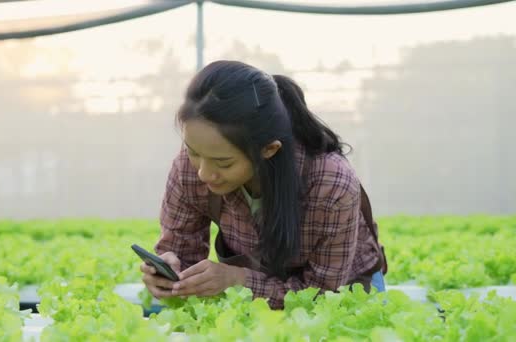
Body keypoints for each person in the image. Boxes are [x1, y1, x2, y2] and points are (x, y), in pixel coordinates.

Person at [140, 60, 387, 309]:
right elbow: (180, 248)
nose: (204, 172)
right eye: (192, 152)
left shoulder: (331, 184)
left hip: (345, 286)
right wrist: (171, 270)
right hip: (252, 285)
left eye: (223, 163)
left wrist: (237, 279)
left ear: (269, 149)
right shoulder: (191, 165)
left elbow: (322, 294)